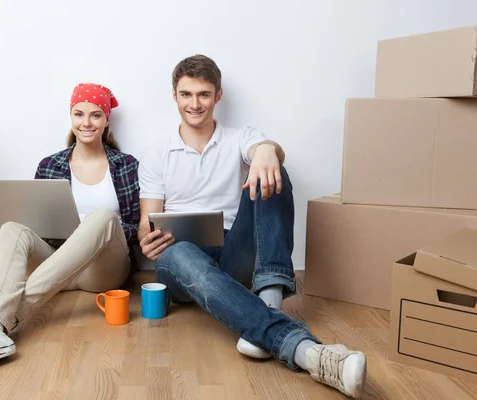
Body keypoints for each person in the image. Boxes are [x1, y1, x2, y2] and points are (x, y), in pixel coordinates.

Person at [137, 55, 367, 398]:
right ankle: (308, 352)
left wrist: (267, 152)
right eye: (186, 94)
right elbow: (146, 222)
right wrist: (147, 240)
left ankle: (268, 308)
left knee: (272, 173)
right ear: (174, 96)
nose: (194, 103)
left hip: (236, 251)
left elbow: (268, 151)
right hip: (179, 259)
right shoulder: (157, 153)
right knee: (180, 252)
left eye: (203, 94)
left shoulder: (239, 137)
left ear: (218, 96)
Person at [0, 83, 140, 379]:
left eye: (95, 115)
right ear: (71, 117)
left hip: (101, 270)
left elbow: (137, 226)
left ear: (106, 121)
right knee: (13, 228)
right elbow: (36, 221)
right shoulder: (50, 164)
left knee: (102, 217)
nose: (86, 123)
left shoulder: (126, 165)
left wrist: (89, 234)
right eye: (79, 114)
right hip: (57, 264)